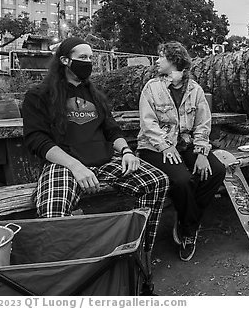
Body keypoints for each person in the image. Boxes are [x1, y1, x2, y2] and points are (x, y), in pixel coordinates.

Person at [22, 37, 169, 257]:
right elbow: (37, 139)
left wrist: (127, 152)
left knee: (157, 181)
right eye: (82, 58)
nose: (88, 62)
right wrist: (76, 167)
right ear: (64, 60)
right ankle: (63, 267)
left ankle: (139, 252)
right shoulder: (38, 95)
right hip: (65, 164)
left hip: (105, 160)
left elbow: (112, 131)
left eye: (91, 57)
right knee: (53, 211)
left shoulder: (95, 95)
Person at [137, 41, 226, 262]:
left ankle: (186, 218)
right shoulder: (152, 88)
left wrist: (203, 153)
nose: (157, 61)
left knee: (216, 170)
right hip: (154, 146)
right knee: (183, 180)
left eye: (161, 57)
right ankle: (189, 231)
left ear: (174, 61)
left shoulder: (195, 90)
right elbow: (148, 124)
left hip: (185, 144)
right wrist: (165, 146)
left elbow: (203, 124)